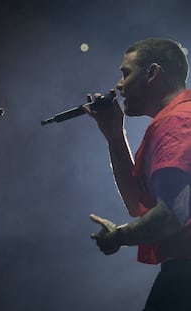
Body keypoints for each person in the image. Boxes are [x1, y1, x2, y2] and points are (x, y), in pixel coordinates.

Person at [85, 38, 191, 310]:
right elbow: (139, 206)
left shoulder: (177, 121)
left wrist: (119, 236)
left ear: (152, 73)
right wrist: (114, 135)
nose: (119, 86)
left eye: (125, 73)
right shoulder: (171, 121)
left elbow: (171, 214)